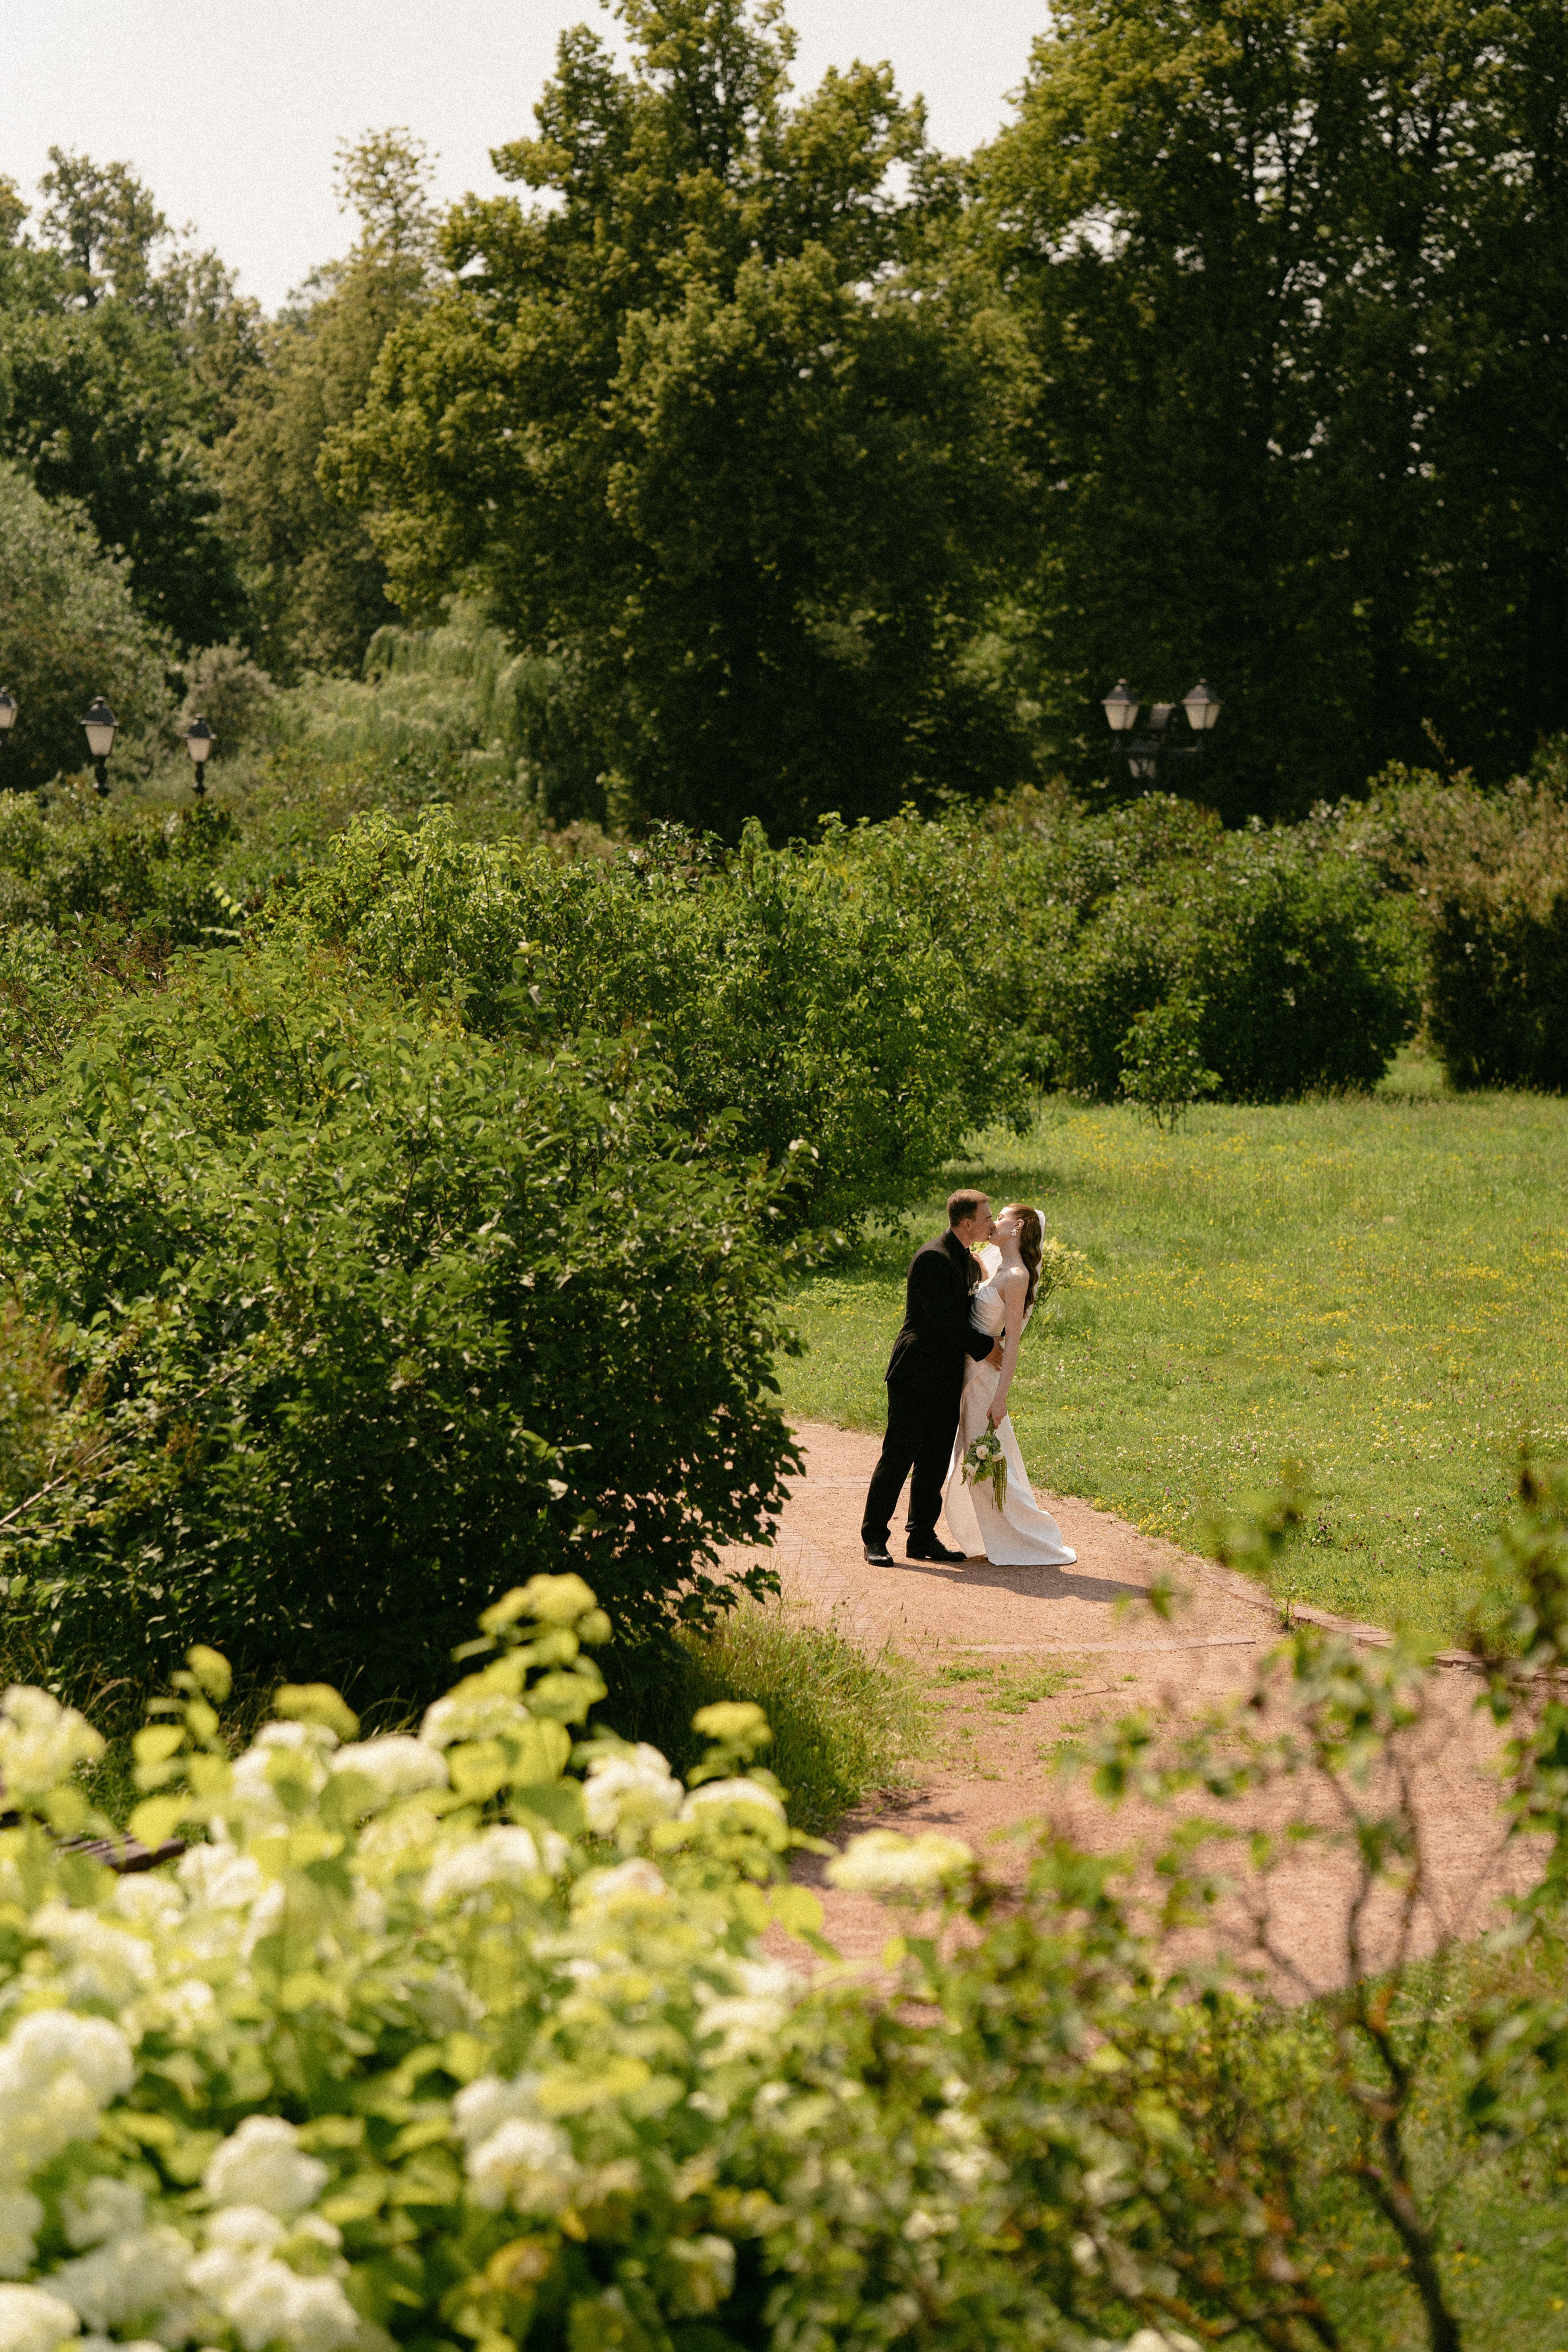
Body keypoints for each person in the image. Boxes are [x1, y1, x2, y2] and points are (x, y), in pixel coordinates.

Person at [861, 1190, 1003, 1567]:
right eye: (986, 1217)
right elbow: (946, 1322)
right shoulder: (932, 1258)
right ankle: (874, 1537)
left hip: (945, 1375)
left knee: (935, 1459)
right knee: (899, 1455)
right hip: (915, 1372)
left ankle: (921, 1536)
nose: (991, 1222)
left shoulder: (963, 1256)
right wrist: (986, 1346)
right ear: (967, 1222)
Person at [941, 1201, 1076, 1567]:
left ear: (1017, 1229)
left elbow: (1012, 1342)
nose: (993, 1222)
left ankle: (1028, 1535)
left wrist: (1001, 1399)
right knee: (972, 1459)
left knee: (983, 1460)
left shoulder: (1016, 1277)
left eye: (1000, 1217)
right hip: (968, 1372)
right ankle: (989, 1534)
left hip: (984, 1380)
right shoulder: (997, 1267)